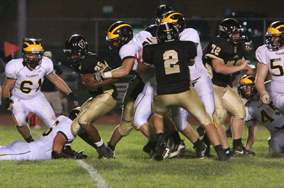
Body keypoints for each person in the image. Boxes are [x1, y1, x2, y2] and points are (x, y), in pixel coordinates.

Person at [137, 22, 228, 161]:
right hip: (185, 91)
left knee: (157, 114)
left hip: (164, 94)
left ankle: (160, 136)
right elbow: (191, 62)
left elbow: (142, 68)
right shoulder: (187, 45)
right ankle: (220, 152)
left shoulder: (151, 49)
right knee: (206, 120)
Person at [161, 11, 232, 157]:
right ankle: (200, 145)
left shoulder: (190, 33)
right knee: (179, 123)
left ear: (179, 26)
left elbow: (186, 55)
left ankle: (224, 150)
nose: (167, 30)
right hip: (182, 85)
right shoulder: (166, 40)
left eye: (169, 26)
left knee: (210, 115)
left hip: (199, 80)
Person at [94, 21, 155, 155]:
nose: (113, 44)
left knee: (142, 119)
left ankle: (159, 145)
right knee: (128, 124)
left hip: (150, 83)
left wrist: (102, 75)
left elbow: (125, 70)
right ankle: (110, 147)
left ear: (125, 37)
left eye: (115, 41)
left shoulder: (127, 48)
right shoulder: (143, 35)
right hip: (147, 81)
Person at [2, 38, 79, 143]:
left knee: (52, 122)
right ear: (24, 55)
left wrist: (70, 92)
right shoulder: (15, 66)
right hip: (19, 99)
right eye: (31, 54)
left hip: (37, 97)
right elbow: (6, 87)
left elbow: (56, 80)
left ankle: (63, 146)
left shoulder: (45, 63)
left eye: (37, 54)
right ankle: (30, 142)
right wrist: (7, 99)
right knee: (20, 121)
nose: (34, 57)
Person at [203, 18, 255, 155]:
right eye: (234, 33)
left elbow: (245, 67)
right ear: (224, 33)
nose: (237, 36)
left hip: (223, 86)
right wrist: (239, 67)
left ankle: (237, 146)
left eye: (238, 33)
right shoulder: (218, 43)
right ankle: (209, 144)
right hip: (210, 86)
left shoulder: (237, 46)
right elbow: (218, 68)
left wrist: (263, 73)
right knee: (219, 115)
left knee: (240, 111)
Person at [63, 34, 118, 159]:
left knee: (83, 121)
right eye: (69, 53)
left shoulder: (92, 60)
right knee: (75, 127)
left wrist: (98, 83)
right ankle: (103, 149)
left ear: (82, 51)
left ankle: (104, 151)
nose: (71, 56)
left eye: (74, 53)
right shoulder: (79, 62)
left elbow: (115, 76)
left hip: (107, 94)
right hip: (97, 95)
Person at [0, 108, 87, 160]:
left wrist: (73, 154)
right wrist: (72, 158)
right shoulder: (69, 127)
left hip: (27, 147)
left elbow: (64, 146)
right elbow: (56, 151)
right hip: (28, 152)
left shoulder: (62, 119)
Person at [238, 75, 283, 154]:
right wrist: (247, 149)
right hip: (277, 132)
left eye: (247, 88)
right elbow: (251, 133)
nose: (245, 91)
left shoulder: (268, 87)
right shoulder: (248, 108)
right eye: (243, 89)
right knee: (274, 145)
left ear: (255, 85)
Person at [255, 21, 284, 111]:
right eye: (271, 37)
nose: (272, 40)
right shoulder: (264, 51)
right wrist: (263, 93)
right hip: (278, 93)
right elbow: (259, 78)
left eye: (275, 37)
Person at [41, 51, 65, 116]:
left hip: (54, 91)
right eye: (46, 57)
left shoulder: (55, 67)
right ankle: (38, 124)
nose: (47, 59)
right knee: (42, 110)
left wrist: (59, 88)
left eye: (49, 57)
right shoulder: (40, 67)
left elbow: (62, 75)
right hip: (44, 91)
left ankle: (58, 124)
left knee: (58, 110)